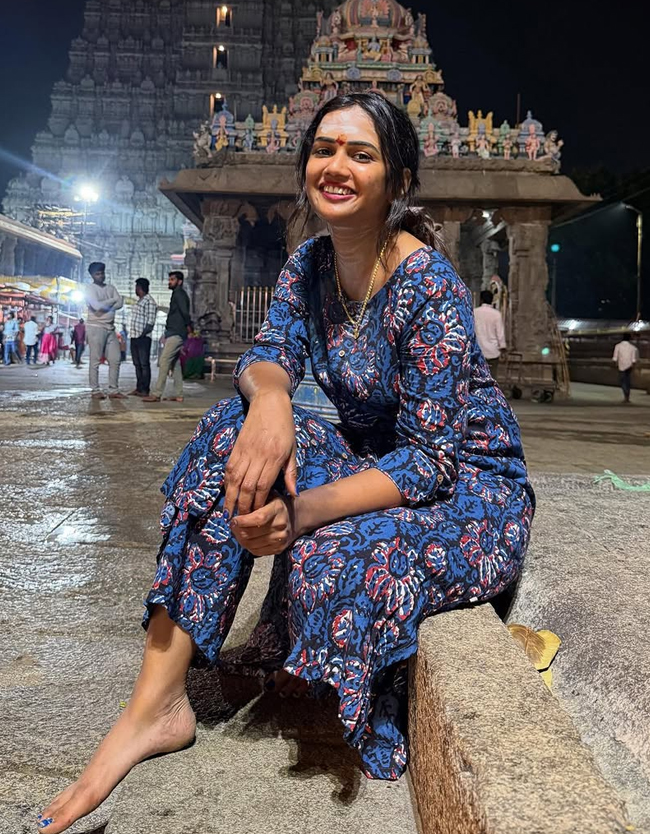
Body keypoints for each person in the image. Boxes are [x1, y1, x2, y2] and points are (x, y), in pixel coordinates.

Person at [37, 93, 534, 833]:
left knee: (336, 554)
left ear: (397, 182)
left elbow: (431, 463)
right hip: (375, 457)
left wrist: (297, 513)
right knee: (228, 438)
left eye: (360, 154)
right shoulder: (311, 264)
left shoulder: (430, 287)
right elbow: (270, 353)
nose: (335, 166)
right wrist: (270, 401)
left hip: (467, 488)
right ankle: (156, 704)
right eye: (324, 148)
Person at [143, 271, 191, 403]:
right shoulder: (176, 294)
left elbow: (185, 313)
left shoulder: (179, 294)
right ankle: (179, 394)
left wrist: (189, 326)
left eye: (172, 280)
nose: (169, 282)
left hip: (177, 333)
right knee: (174, 364)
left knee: (164, 361)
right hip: (174, 332)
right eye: (169, 279)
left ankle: (157, 393)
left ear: (179, 281)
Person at [85, 262, 125, 399]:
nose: (100, 276)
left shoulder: (110, 287)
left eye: (102, 273)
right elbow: (96, 306)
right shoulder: (90, 289)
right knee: (95, 360)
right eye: (97, 274)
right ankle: (95, 390)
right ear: (92, 275)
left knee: (115, 359)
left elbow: (120, 304)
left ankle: (113, 389)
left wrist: (106, 305)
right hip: (95, 327)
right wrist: (112, 301)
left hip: (110, 327)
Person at [129, 278, 158, 397]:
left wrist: (142, 335)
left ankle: (145, 389)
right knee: (137, 364)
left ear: (140, 288)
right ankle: (139, 387)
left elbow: (150, 322)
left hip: (143, 338)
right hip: (134, 336)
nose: (135, 289)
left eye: (136, 287)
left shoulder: (149, 302)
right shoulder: (139, 302)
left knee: (144, 364)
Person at [473, 289, 506, 378]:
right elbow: (500, 333)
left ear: (481, 300)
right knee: (491, 378)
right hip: (493, 352)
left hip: (477, 351)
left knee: (477, 378)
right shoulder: (496, 314)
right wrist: (502, 348)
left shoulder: (474, 312)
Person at [612, 331, 639, 403]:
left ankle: (626, 394)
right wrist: (634, 365)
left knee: (622, 381)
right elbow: (634, 359)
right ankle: (627, 395)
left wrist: (615, 364)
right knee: (628, 380)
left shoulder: (618, 346)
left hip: (621, 366)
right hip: (629, 366)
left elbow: (615, 357)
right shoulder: (633, 347)